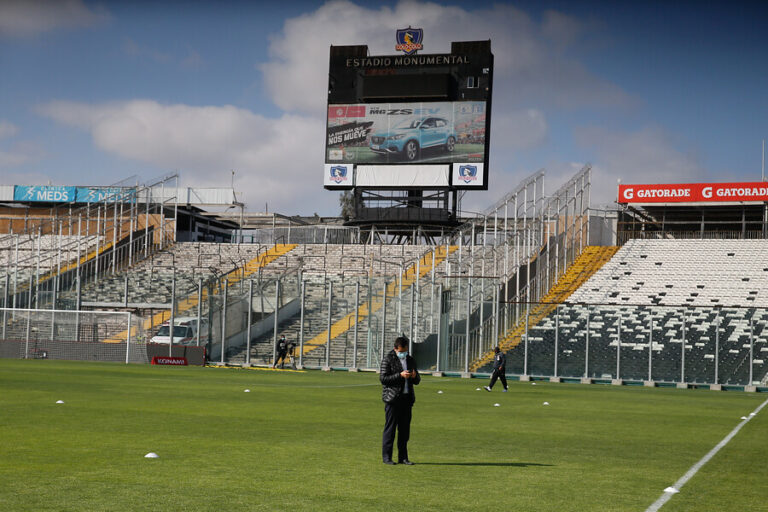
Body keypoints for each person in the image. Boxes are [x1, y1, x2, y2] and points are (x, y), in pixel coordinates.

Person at [380, 336, 420, 465]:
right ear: (395, 349)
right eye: (401, 351)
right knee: (390, 429)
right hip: (393, 399)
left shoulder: (410, 359)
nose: (403, 353)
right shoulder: (388, 359)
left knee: (404, 431)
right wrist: (400, 375)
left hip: (406, 399)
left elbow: (417, 380)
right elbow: (383, 379)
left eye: (405, 351)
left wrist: (414, 376)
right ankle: (387, 457)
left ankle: (403, 457)